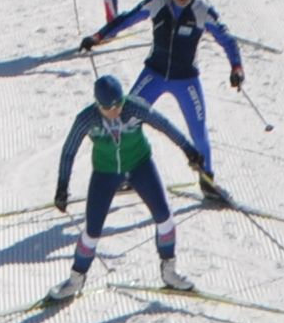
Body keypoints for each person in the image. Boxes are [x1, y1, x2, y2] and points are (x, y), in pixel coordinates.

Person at [82, 0, 244, 197]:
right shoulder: (157, 2)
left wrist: (236, 68)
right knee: (125, 119)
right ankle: (124, 173)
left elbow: (227, 40)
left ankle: (207, 180)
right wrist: (99, 36)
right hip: (154, 74)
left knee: (198, 131)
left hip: (186, 79)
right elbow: (127, 18)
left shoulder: (202, 11)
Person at [45, 74, 204, 303]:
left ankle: (169, 272)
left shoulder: (133, 108)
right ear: (98, 104)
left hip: (140, 165)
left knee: (165, 218)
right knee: (92, 232)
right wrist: (62, 187)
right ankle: (75, 280)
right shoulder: (87, 118)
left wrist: (189, 150)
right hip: (105, 172)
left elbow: (164, 125)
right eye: (108, 108)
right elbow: (69, 151)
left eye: (118, 104)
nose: (115, 111)